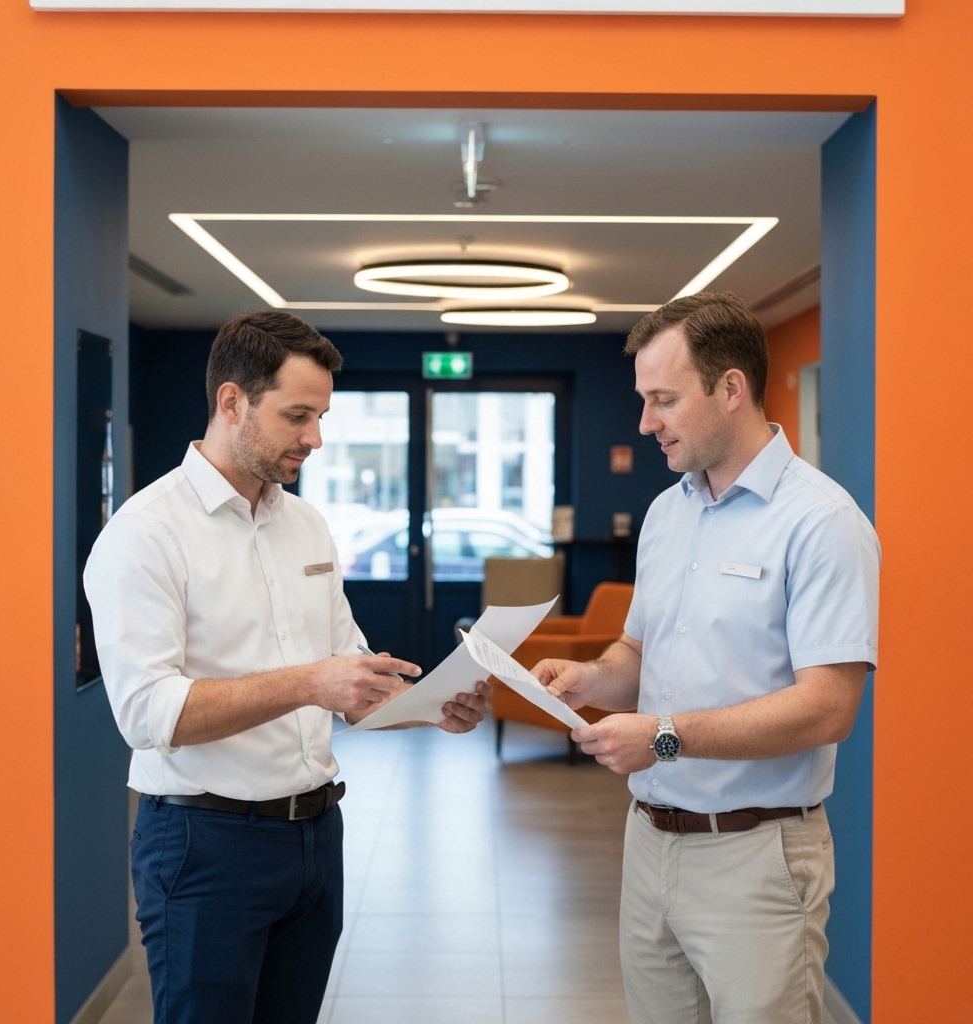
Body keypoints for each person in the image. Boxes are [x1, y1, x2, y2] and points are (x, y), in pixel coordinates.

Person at [84, 310, 491, 1024]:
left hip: (314, 841)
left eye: (322, 415)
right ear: (231, 402)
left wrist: (433, 706)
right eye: (298, 415)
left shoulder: (306, 524)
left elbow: (351, 682)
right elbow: (148, 715)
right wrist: (311, 681)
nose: (317, 438)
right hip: (201, 848)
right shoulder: (144, 535)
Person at [533, 292, 879, 1024]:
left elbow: (829, 707)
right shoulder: (668, 512)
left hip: (757, 855)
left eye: (663, 400)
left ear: (731, 389)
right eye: (643, 400)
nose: (644, 422)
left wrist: (663, 734)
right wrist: (593, 677)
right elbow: (638, 648)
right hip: (650, 839)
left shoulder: (823, 523)